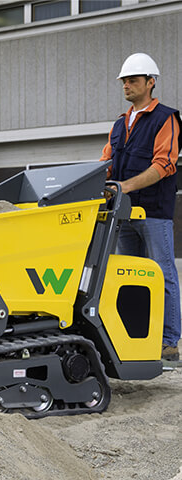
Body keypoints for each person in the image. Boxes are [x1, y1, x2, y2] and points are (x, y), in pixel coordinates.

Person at [100, 52, 182, 362]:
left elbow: (164, 164)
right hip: (123, 213)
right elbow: (107, 163)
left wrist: (125, 187)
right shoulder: (120, 124)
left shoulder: (166, 118)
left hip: (152, 212)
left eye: (133, 80)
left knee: (161, 274)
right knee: (129, 276)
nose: (126, 85)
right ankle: (135, 337)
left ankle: (168, 342)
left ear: (151, 82)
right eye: (124, 81)